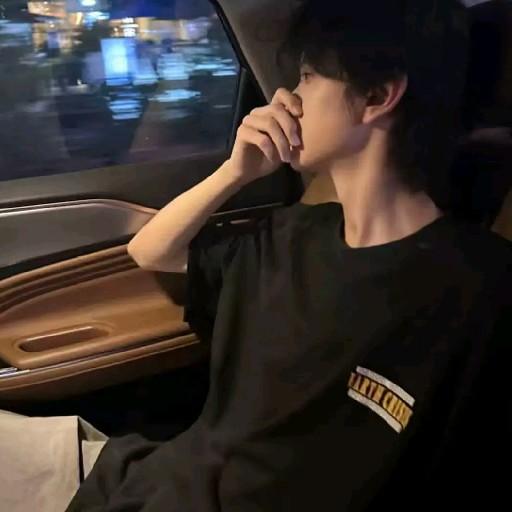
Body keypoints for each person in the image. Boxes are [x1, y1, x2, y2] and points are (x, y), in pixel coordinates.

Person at [4, 0, 511, 510]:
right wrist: (235, 172)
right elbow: (150, 250)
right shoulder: (294, 233)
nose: (286, 99)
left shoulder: (477, 289)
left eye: (307, 77)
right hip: (146, 479)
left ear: (377, 96)